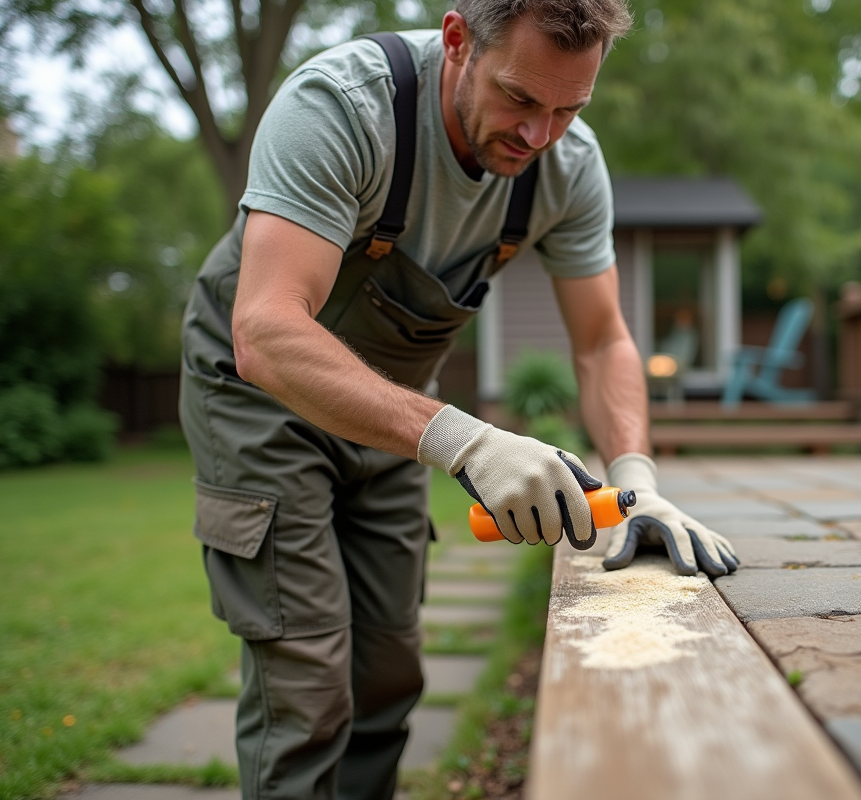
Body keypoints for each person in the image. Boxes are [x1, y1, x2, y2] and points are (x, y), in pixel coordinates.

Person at [179, 1, 738, 797]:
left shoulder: (568, 167)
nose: (540, 134)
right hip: (260, 397)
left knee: (388, 674)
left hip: (398, 409)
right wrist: (470, 444)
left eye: (569, 108)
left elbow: (603, 341)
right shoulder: (340, 109)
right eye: (519, 98)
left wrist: (636, 475)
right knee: (306, 685)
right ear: (456, 41)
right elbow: (266, 332)